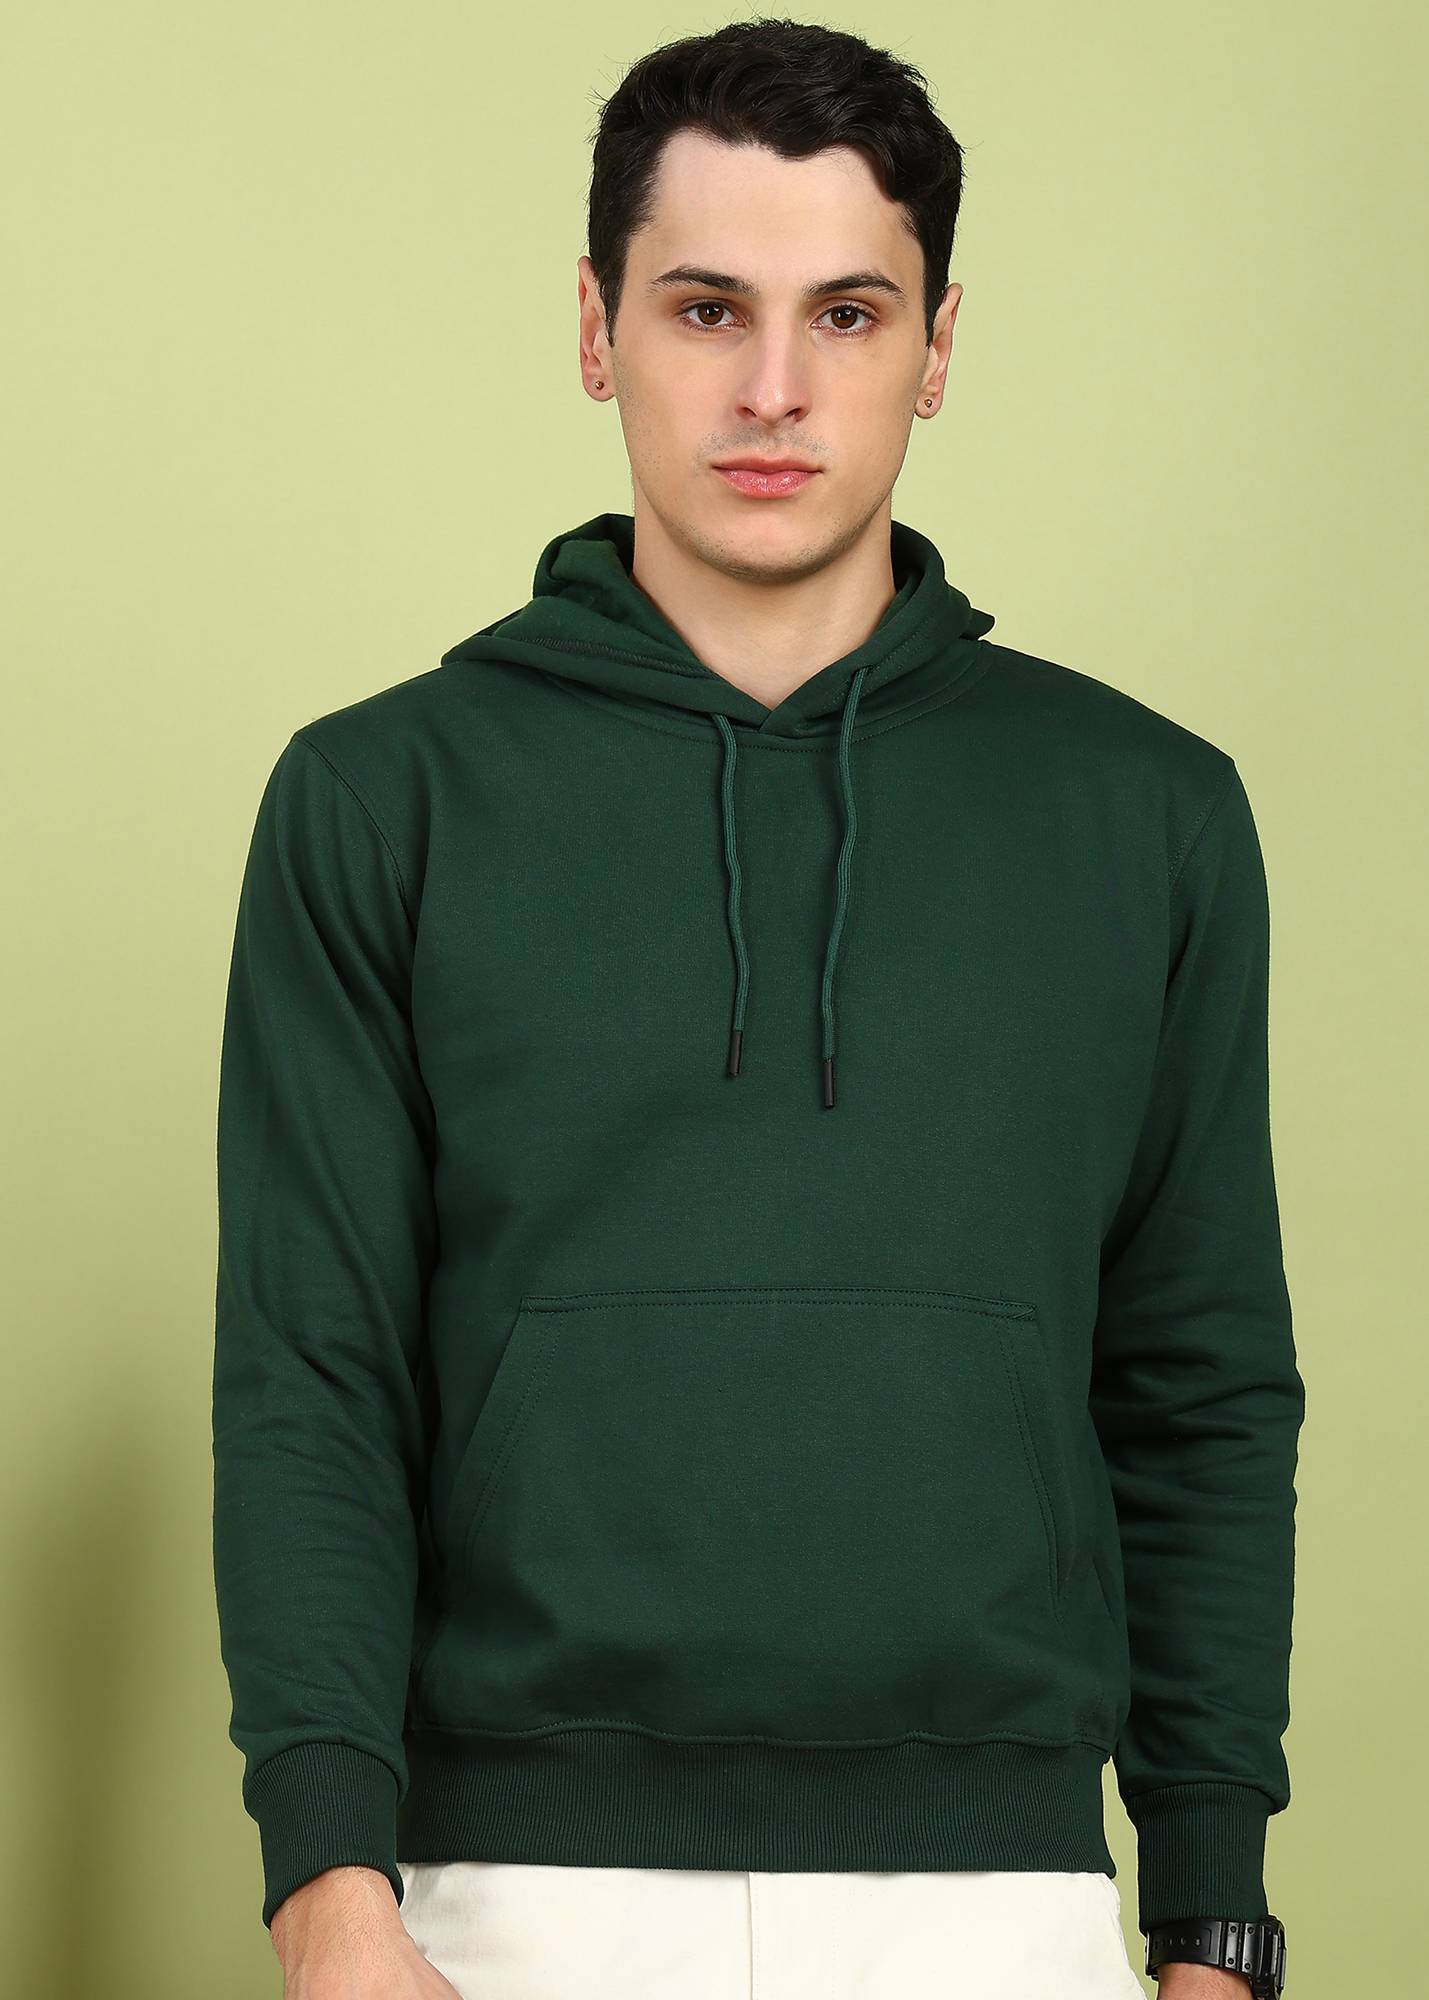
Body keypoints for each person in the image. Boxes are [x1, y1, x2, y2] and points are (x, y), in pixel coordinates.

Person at [211, 18, 1304, 1998]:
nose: (772, 388)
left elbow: (1199, 1379)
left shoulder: (1143, 811)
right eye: (706, 306)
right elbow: (314, 1373)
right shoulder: (385, 798)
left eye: (848, 315)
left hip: (1000, 1903)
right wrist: (325, 1888)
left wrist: (1213, 1922)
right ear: (595, 325)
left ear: (938, 346)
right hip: (497, 1891)